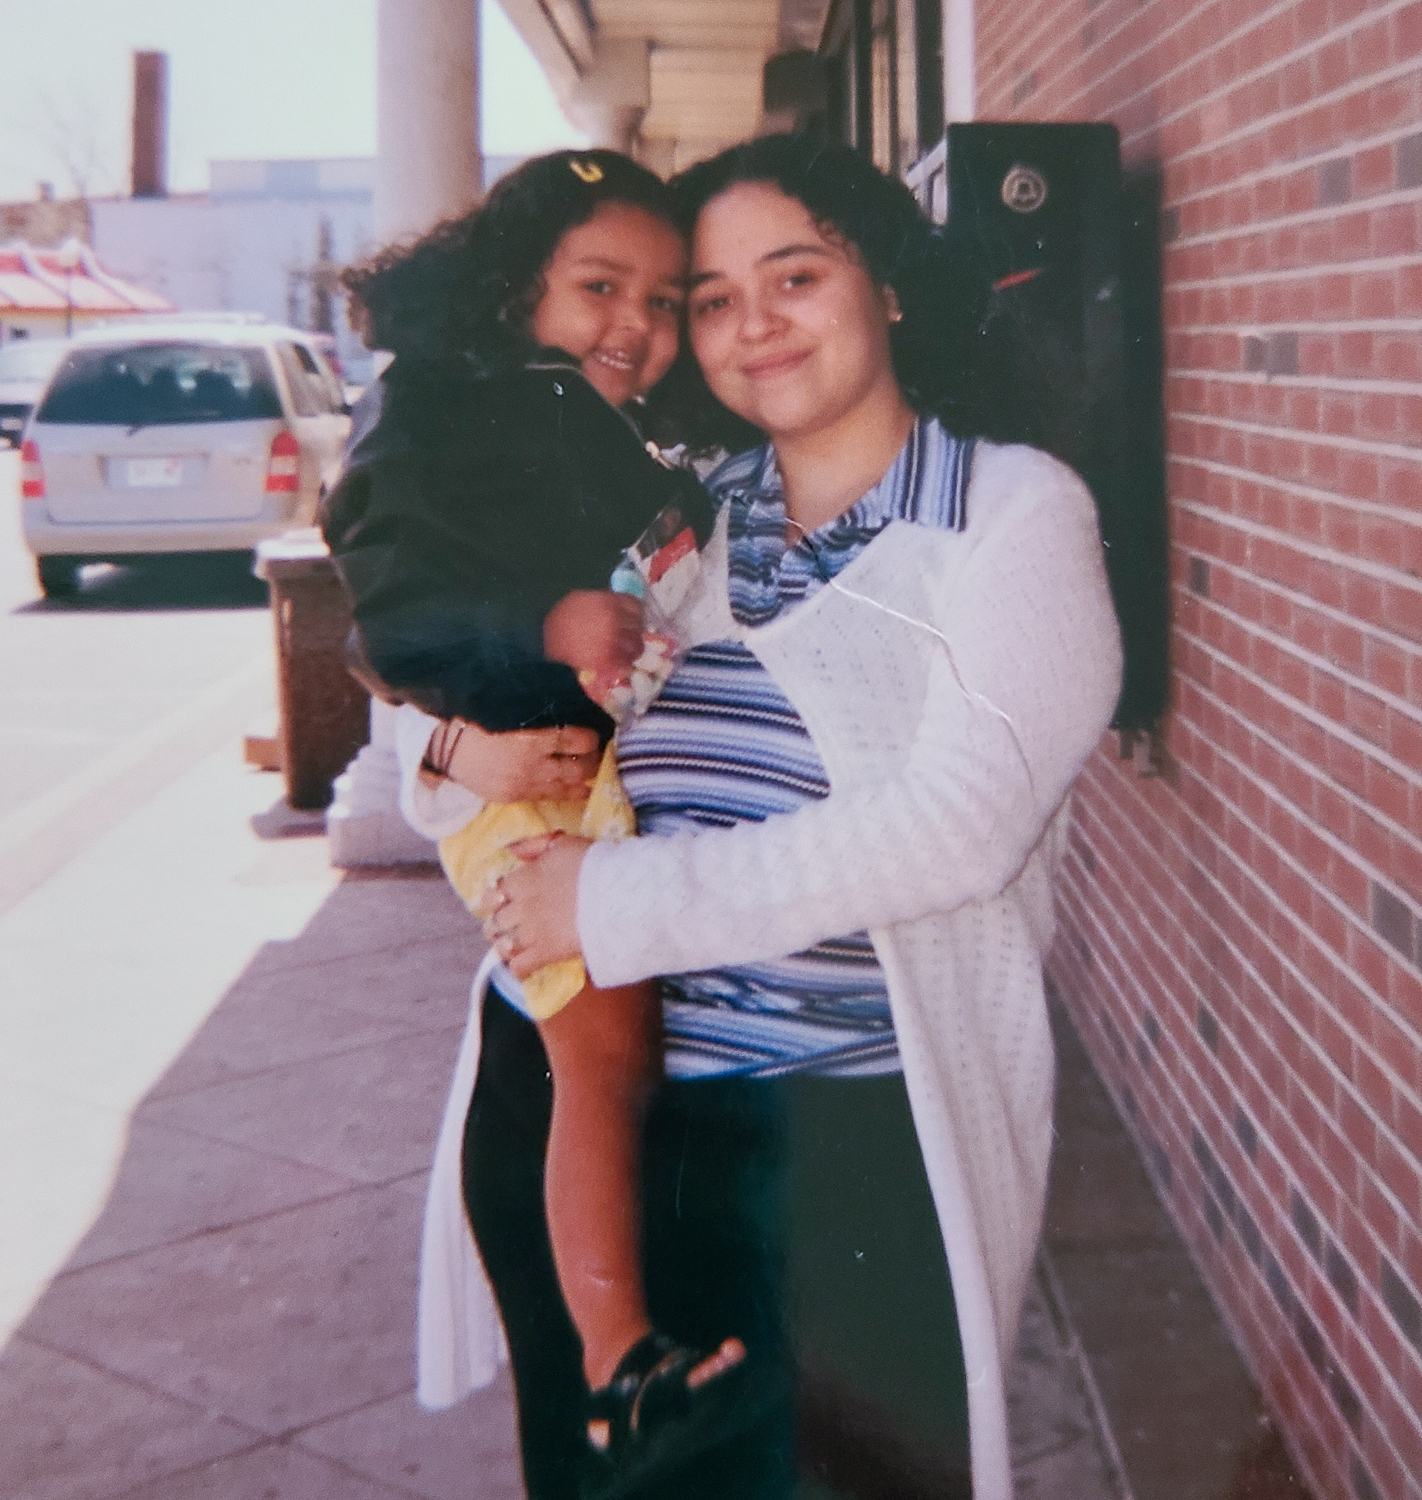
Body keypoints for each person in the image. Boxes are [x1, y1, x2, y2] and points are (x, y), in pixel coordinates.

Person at [412, 135, 1124, 1500]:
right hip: (571, 1106)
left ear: (889, 286)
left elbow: (955, 827)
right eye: (715, 298)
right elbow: (463, 668)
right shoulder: (677, 509)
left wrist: (609, 906)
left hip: (826, 1146)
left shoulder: (1009, 515)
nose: (754, 326)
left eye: (794, 275)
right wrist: (450, 744)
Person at [320, 148, 745, 1498]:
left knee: (611, 1057)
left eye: (667, 297)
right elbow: (387, 623)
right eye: (598, 286)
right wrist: (524, 649)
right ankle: (619, 1353)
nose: (637, 322)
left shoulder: (625, 427)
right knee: (601, 1060)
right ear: (517, 290)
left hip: (588, 782)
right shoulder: (450, 409)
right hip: (537, 790)